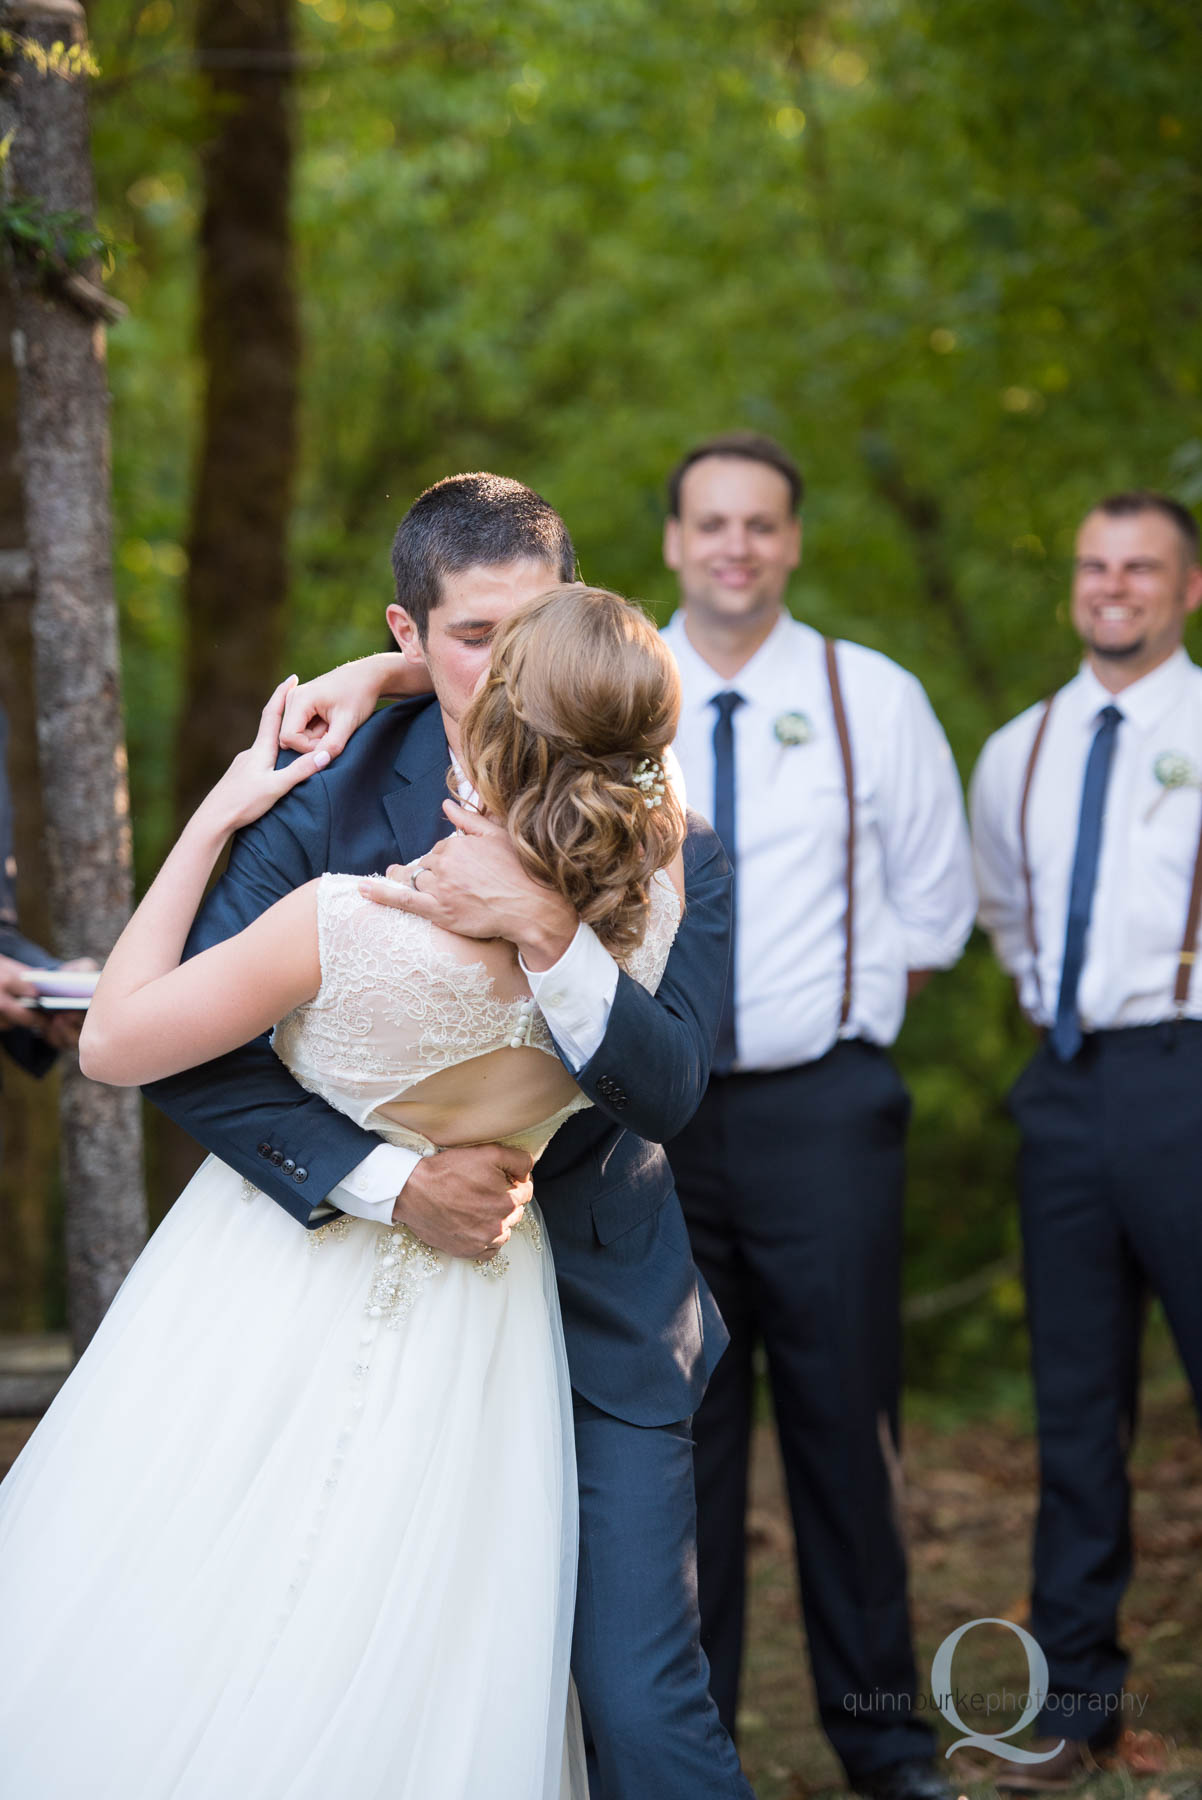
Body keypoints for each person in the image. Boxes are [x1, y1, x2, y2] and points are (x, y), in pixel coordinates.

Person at [0, 583, 710, 1797]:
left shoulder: (346, 923)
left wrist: (216, 816)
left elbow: (115, 1044)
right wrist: (377, 680)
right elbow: (616, 736)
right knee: (430, 1658)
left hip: (277, 1298)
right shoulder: (643, 905)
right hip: (485, 1323)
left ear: (488, 725)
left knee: (198, 1622)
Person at [658, 433, 975, 1800]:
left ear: (792, 543)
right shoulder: (614, 687)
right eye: (711, 524)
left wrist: (815, 1009)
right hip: (649, 1122)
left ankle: (881, 1740)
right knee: (680, 1446)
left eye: (761, 526)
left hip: (823, 1113)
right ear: (671, 541)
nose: (736, 546)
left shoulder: (873, 696)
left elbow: (935, 908)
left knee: (844, 1433)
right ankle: (689, 1743)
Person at [970, 490, 1202, 1787]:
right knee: (1075, 1407)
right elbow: (1004, 909)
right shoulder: (1018, 749)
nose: (1110, 586)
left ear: (1185, 588)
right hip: (1062, 1085)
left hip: (1190, 1072)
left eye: (1139, 568)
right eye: (1092, 565)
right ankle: (1075, 1703)